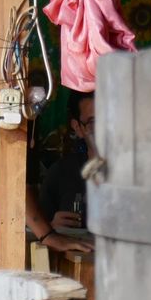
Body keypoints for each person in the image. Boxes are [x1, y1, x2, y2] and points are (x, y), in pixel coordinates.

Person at [38, 92, 95, 233]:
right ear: (78, 128)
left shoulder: (136, 171)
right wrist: (51, 228)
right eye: (93, 122)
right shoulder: (61, 173)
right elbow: (38, 231)